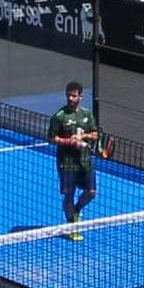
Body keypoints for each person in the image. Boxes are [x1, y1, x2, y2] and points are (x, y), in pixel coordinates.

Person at [46, 80, 99, 240]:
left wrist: (82, 136)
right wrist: (68, 141)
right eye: (68, 95)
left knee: (91, 192)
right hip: (66, 162)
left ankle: (75, 210)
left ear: (80, 97)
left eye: (73, 96)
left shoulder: (87, 114)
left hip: (85, 161)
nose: (70, 98)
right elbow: (50, 138)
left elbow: (95, 134)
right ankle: (72, 226)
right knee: (69, 194)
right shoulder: (59, 117)